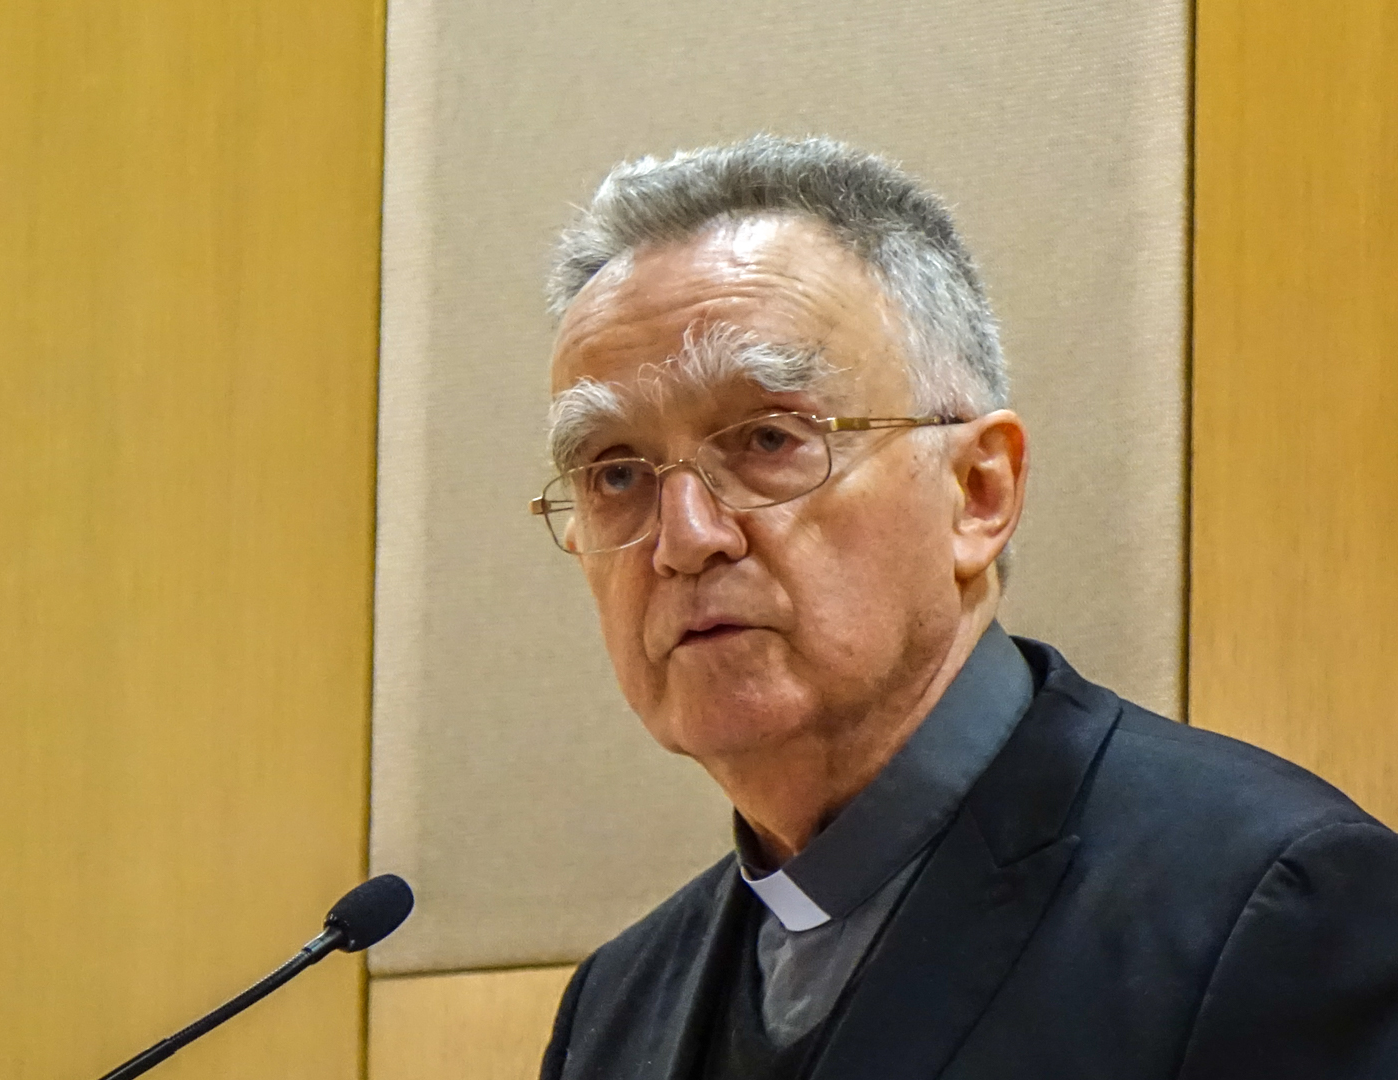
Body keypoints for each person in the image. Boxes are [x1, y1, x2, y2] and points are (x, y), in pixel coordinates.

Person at [529, 134, 1398, 1079]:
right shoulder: (612, 1013)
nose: (685, 535)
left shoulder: (1267, 906)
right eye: (615, 473)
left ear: (978, 493)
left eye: (768, 439)